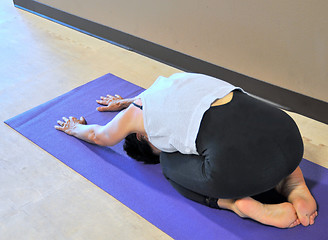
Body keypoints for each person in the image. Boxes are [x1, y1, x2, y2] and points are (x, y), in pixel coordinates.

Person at [55, 73, 317, 228]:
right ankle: (293, 181)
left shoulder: (135, 119)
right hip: (289, 137)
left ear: (141, 135)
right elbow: (158, 101)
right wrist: (125, 102)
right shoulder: (173, 81)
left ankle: (236, 205)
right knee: (248, 130)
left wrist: (74, 128)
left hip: (239, 173)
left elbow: (98, 136)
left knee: (170, 164)